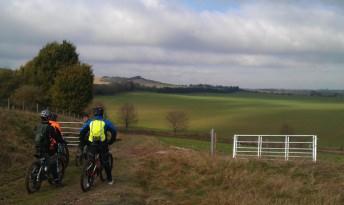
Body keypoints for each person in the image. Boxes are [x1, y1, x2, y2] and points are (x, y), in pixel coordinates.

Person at [79, 106, 117, 184]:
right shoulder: (106, 122)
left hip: (92, 144)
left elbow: (82, 132)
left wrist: (85, 142)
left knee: (91, 160)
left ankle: (89, 180)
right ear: (102, 114)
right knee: (105, 161)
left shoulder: (90, 122)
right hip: (102, 144)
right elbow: (114, 131)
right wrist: (111, 141)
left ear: (94, 114)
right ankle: (110, 180)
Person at [34, 109, 64, 185]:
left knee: (43, 160)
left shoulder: (38, 126)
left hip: (37, 146)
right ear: (48, 118)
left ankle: (40, 171)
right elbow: (56, 137)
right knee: (53, 162)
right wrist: (62, 141)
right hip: (47, 148)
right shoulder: (50, 128)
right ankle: (57, 181)